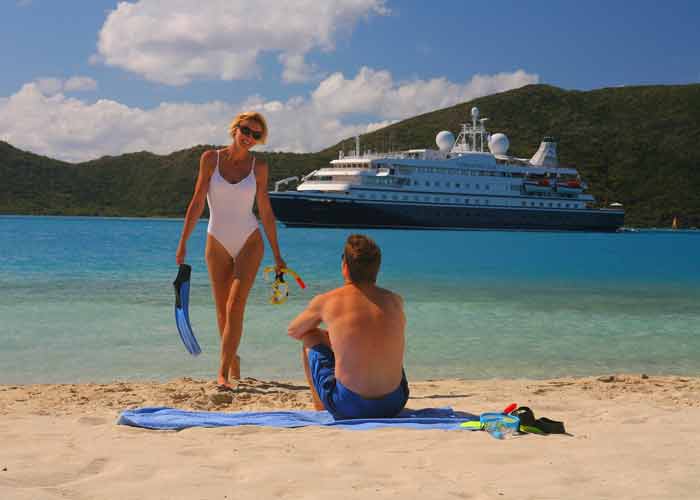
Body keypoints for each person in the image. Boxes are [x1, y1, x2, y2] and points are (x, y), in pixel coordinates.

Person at [176, 111, 286, 389]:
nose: (249, 137)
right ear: (235, 129)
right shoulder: (210, 159)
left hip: (250, 240)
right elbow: (198, 201)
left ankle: (222, 373)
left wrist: (277, 253)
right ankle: (232, 359)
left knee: (236, 305)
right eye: (246, 131)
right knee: (222, 312)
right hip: (217, 241)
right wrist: (183, 242)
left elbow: (265, 211)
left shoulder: (258, 167)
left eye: (256, 135)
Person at [287, 234, 409, 419]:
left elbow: (294, 331)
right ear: (376, 269)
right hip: (394, 402)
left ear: (345, 267)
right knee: (382, 341)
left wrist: (331, 338)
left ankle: (320, 406)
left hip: (348, 405)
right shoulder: (395, 300)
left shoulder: (327, 300)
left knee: (310, 336)